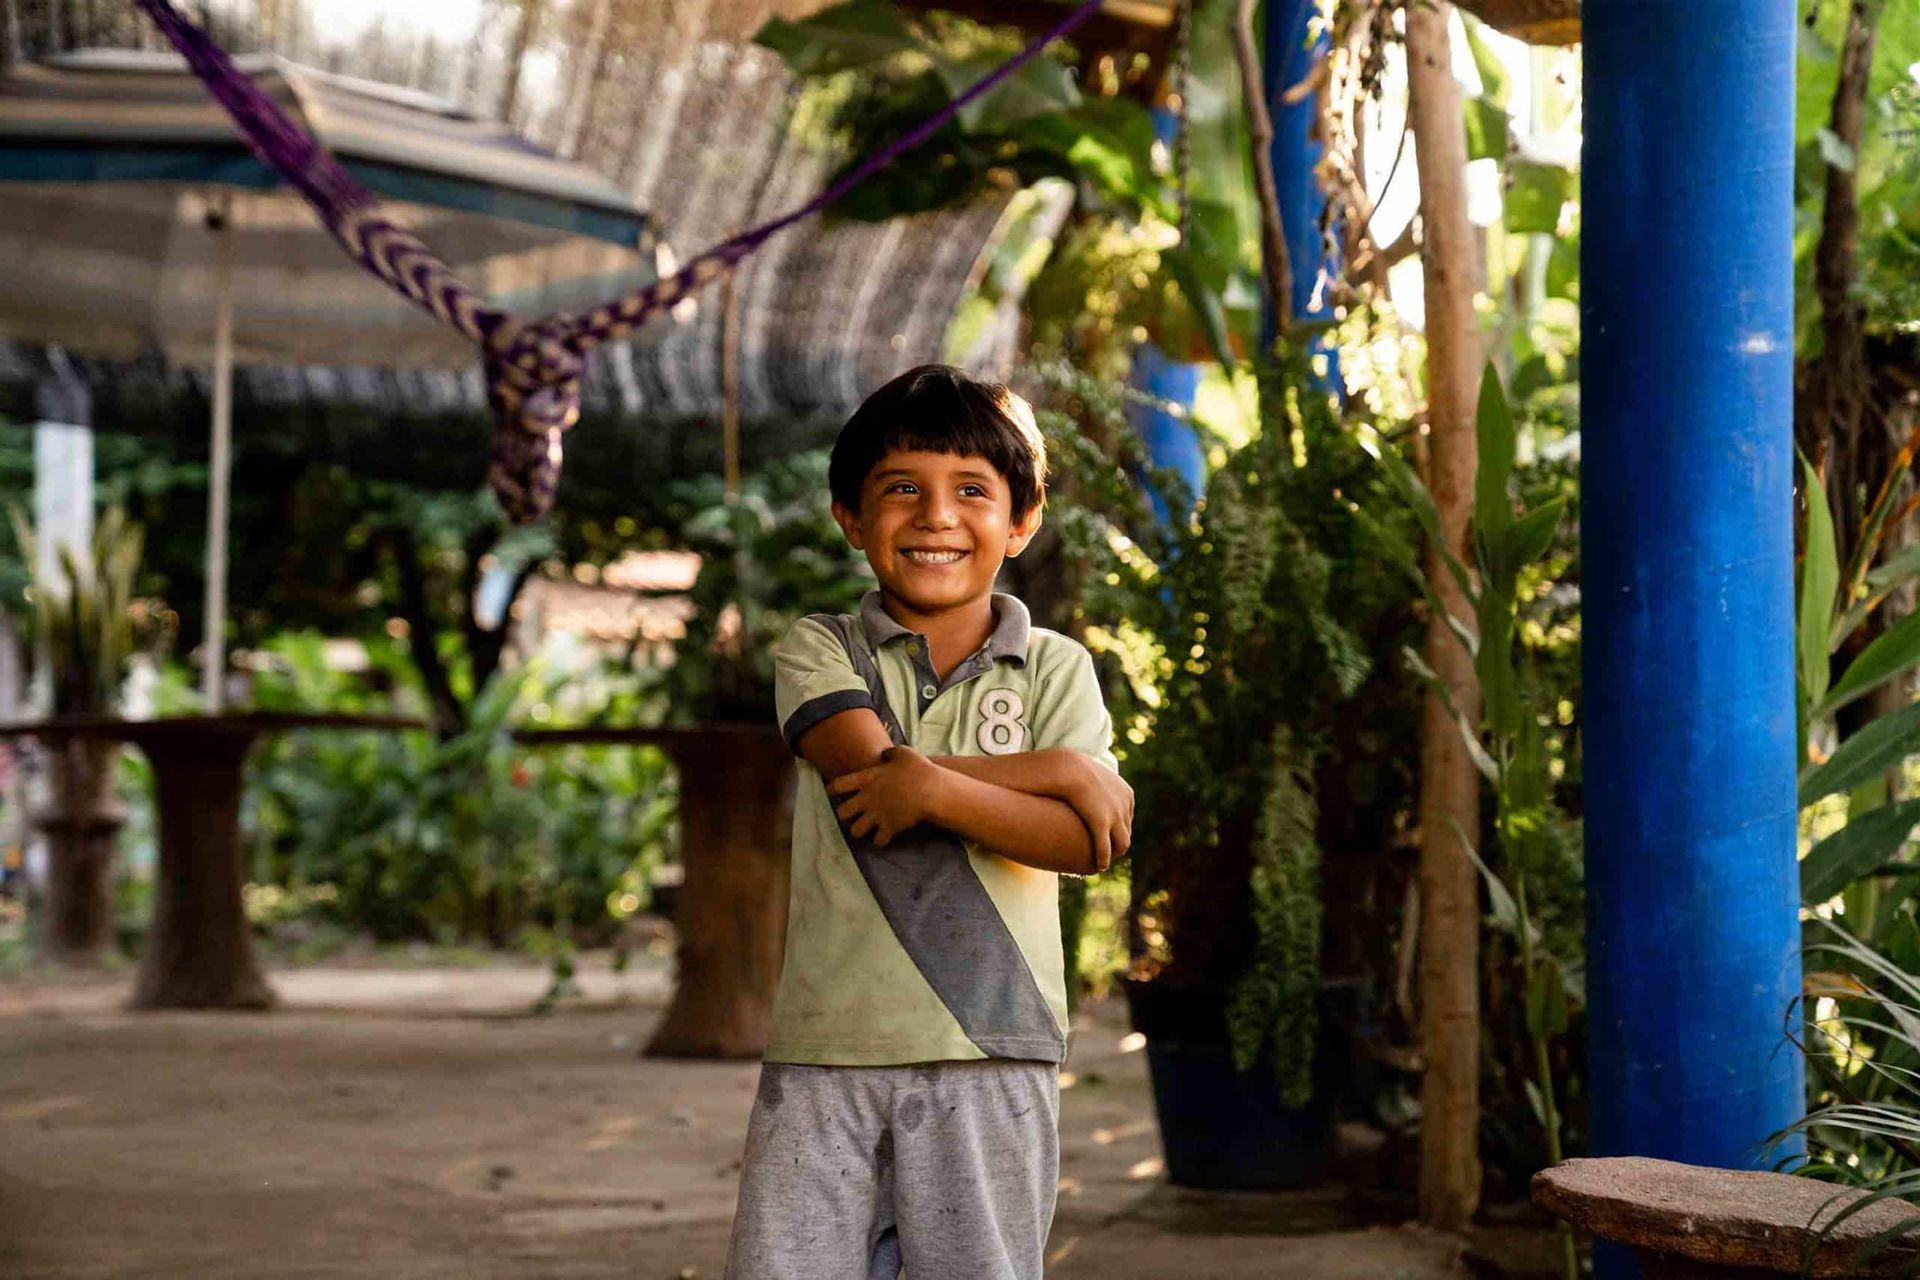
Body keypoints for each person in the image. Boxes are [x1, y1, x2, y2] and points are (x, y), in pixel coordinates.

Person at [723, 364, 1134, 1280]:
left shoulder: (1057, 669)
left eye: (972, 490)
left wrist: (938, 788)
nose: (936, 515)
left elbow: (1085, 842)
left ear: (1022, 522)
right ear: (851, 517)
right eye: (902, 488)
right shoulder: (821, 646)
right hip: (828, 1045)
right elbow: (870, 776)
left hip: (996, 1046)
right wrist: (1058, 773)